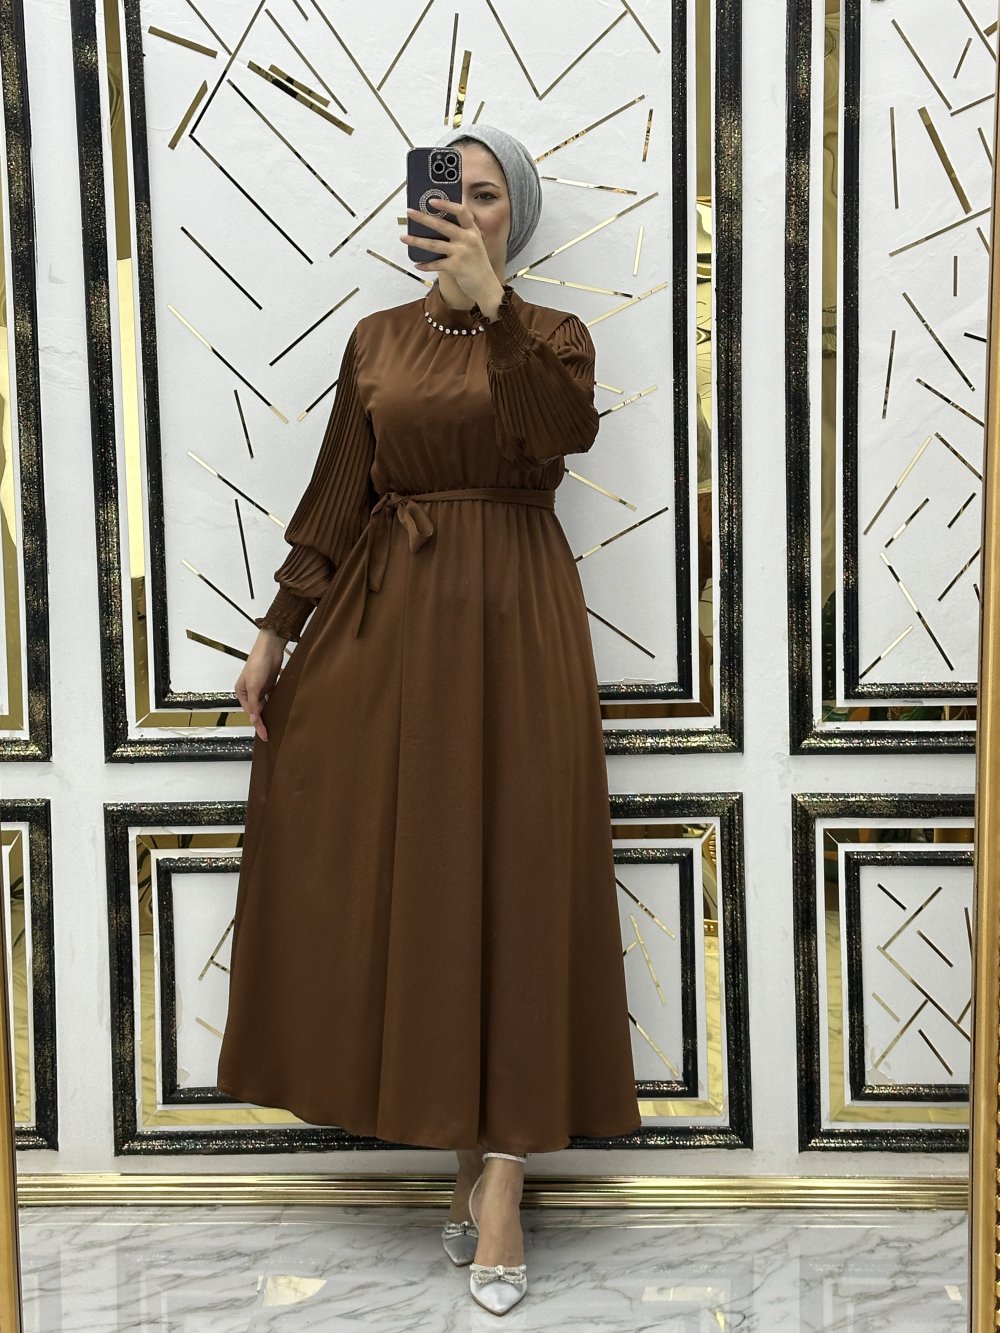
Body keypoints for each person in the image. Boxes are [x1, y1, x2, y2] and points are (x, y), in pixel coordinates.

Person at [215, 124, 641, 1315]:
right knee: (425, 877)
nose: (463, 211)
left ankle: (500, 1177)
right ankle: (464, 1145)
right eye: (450, 193)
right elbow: (338, 493)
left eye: (488, 195)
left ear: (519, 217)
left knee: (517, 875)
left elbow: (557, 434)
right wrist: (274, 633)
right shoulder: (375, 339)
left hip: (517, 624)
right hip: (390, 627)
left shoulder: (554, 336)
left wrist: (494, 306)